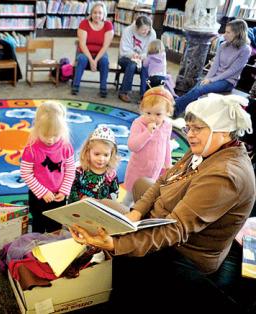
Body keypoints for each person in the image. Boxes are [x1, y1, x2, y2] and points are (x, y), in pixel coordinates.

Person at [69, 93, 255, 313]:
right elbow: (163, 181)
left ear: (222, 131)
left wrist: (116, 244)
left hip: (187, 251)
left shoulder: (225, 176)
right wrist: (136, 212)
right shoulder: (209, 148)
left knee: (110, 223)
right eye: (189, 128)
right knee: (140, 185)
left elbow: (175, 229)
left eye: (197, 129)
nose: (190, 134)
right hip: (167, 218)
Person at [174, 19, 252, 117]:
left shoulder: (245, 50)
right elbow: (215, 65)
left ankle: (174, 108)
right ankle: (185, 111)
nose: (224, 34)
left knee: (198, 90)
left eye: (228, 32)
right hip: (214, 77)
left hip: (228, 81)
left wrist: (211, 79)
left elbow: (232, 71)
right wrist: (207, 78)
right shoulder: (223, 45)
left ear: (237, 33)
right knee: (196, 87)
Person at [20, 101, 76, 233]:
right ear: (37, 129)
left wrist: (64, 191)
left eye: (55, 135)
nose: (50, 140)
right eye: (45, 135)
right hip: (38, 196)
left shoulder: (65, 146)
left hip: (58, 196)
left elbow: (70, 170)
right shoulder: (31, 149)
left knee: (55, 226)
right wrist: (43, 192)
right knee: (38, 225)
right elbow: (26, 173)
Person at [122, 86, 173, 206]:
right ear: (142, 109)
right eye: (148, 113)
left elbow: (166, 143)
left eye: (158, 114)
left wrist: (168, 163)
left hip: (155, 169)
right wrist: (148, 132)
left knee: (145, 197)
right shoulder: (139, 123)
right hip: (138, 169)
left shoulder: (167, 125)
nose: (152, 117)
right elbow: (133, 146)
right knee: (129, 197)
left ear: (167, 113)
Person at [72, 1, 114, 98]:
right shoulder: (84, 24)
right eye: (95, 12)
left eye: (100, 13)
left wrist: (95, 60)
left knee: (104, 61)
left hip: (100, 53)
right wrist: (92, 60)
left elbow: (105, 46)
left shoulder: (108, 25)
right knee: (82, 59)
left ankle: (103, 88)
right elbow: (82, 45)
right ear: (91, 14)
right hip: (85, 52)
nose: (97, 15)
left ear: (104, 14)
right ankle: (75, 86)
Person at [68, 125, 120, 203]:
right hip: (78, 207)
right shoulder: (80, 170)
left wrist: (103, 202)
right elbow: (71, 189)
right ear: (88, 151)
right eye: (97, 154)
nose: (101, 159)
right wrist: (79, 199)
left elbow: (115, 193)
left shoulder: (111, 174)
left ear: (112, 154)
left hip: (99, 210)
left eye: (106, 155)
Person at [118, 15, 156, 103]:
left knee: (146, 66)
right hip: (126, 57)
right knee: (132, 64)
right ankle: (124, 92)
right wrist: (133, 55)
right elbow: (124, 50)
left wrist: (142, 56)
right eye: (143, 30)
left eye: (148, 29)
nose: (146, 32)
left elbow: (150, 51)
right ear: (136, 27)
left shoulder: (152, 33)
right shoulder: (128, 31)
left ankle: (145, 94)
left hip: (143, 58)